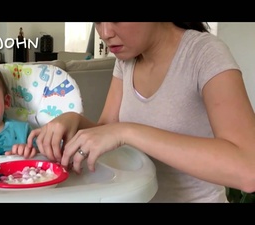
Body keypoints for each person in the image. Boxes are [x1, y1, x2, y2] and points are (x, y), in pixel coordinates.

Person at [27, 22, 255, 202]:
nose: (105, 32)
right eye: (97, 21)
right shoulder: (126, 61)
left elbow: (248, 169)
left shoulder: (204, 53)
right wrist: (73, 120)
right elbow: (108, 131)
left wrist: (127, 132)